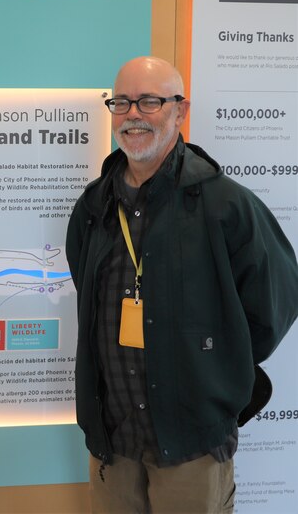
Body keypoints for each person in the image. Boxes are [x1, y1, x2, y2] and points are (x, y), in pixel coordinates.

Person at [66, 56, 298, 513]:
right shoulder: (93, 207)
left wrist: (216, 364)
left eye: (149, 101)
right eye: (122, 102)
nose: (133, 113)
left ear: (180, 110)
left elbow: (274, 303)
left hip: (192, 446)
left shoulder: (225, 204)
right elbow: (86, 296)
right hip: (114, 445)